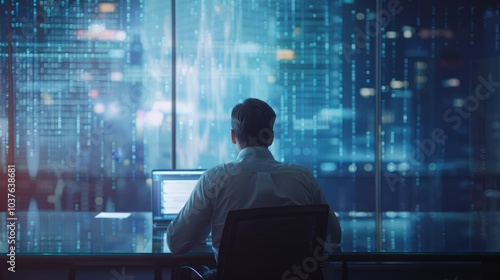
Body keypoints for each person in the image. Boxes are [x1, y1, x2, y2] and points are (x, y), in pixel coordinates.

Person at [166, 98, 342, 261]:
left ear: (233, 136)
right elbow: (334, 237)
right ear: (270, 137)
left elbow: (177, 243)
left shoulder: (215, 178)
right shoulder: (303, 177)